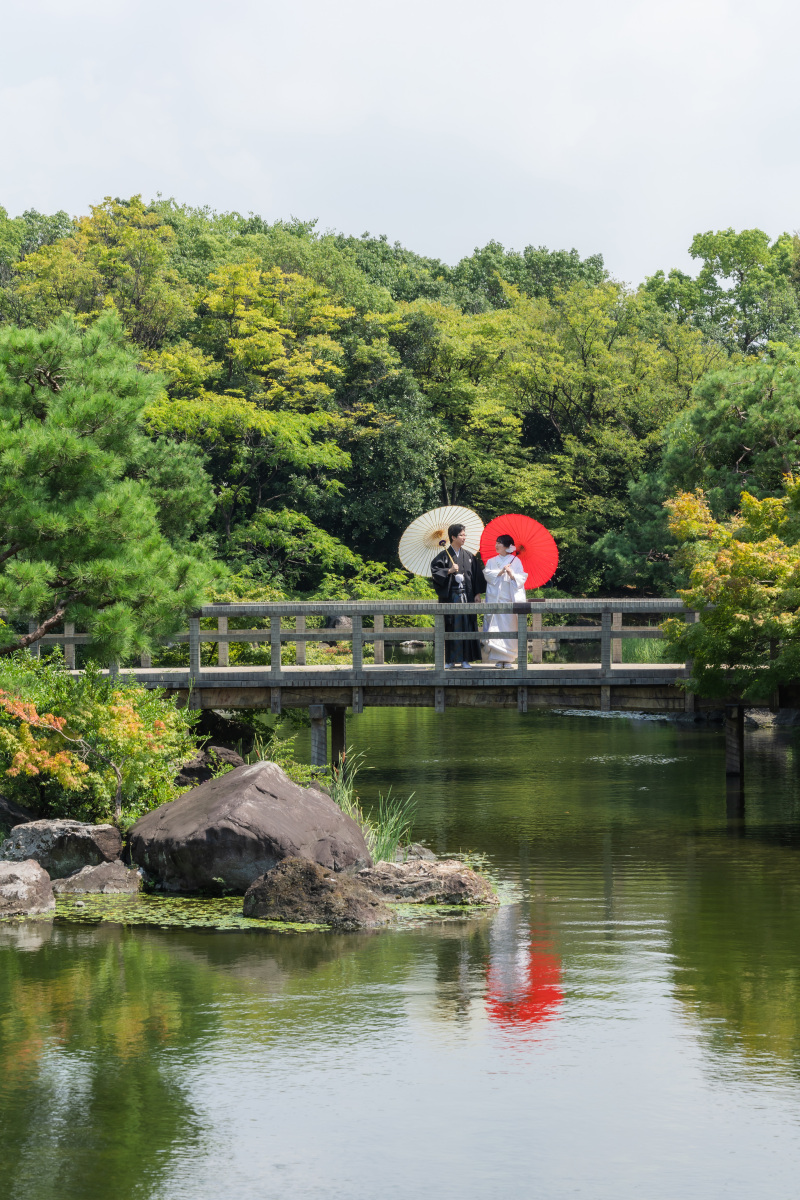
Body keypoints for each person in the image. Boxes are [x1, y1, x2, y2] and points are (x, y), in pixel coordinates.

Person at [430, 523, 486, 668]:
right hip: (451, 596)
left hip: (466, 596)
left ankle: (465, 659)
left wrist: (477, 593)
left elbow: (476, 576)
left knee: (466, 626)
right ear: (453, 537)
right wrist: (449, 570)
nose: (464, 537)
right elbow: (435, 572)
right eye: (461, 535)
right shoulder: (443, 556)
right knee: (451, 627)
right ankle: (450, 660)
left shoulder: (469, 556)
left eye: (464, 535)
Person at [482, 534, 528, 667]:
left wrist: (511, 574)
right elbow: (487, 574)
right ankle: (498, 658)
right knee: (495, 628)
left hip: (508, 599)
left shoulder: (515, 561)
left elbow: (521, 579)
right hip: (496, 599)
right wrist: (500, 572)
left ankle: (508, 659)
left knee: (509, 628)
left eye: (500, 543)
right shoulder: (491, 561)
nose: (496, 545)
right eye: (496, 542)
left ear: (507, 546)